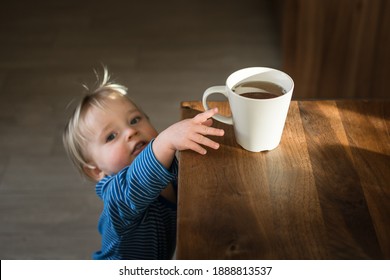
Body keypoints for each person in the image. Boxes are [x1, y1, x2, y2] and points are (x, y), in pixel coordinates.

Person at [63, 68, 224, 259]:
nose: (130, 131)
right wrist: (164, 141)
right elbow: (136, 182)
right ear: (96, 170)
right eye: (111, 136)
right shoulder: (116, 197)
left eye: (134, 119)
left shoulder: (167, 169)